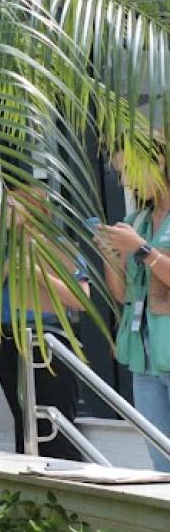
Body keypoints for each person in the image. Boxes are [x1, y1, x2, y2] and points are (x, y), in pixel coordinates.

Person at [0, 191, 91, 461]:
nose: (6, 211)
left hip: (50, 339)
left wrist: (37, 273)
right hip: (11, 339)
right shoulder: (3, 253)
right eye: (5, 205)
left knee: (55, 423)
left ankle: (66, 477)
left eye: (12, 204)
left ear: (38, 210)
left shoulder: (61, 249)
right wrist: (7, 268)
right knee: (24, 421)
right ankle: (30, 475)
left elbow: (81, 300)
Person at [98, 141, 170, 472]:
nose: (126, 181)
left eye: (129, 169)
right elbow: (124, 294)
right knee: (161, 461)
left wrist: (141, 249)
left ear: (159, 161)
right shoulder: (136, 220)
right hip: (144, 359)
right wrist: (109, 253)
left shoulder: (139, 233)